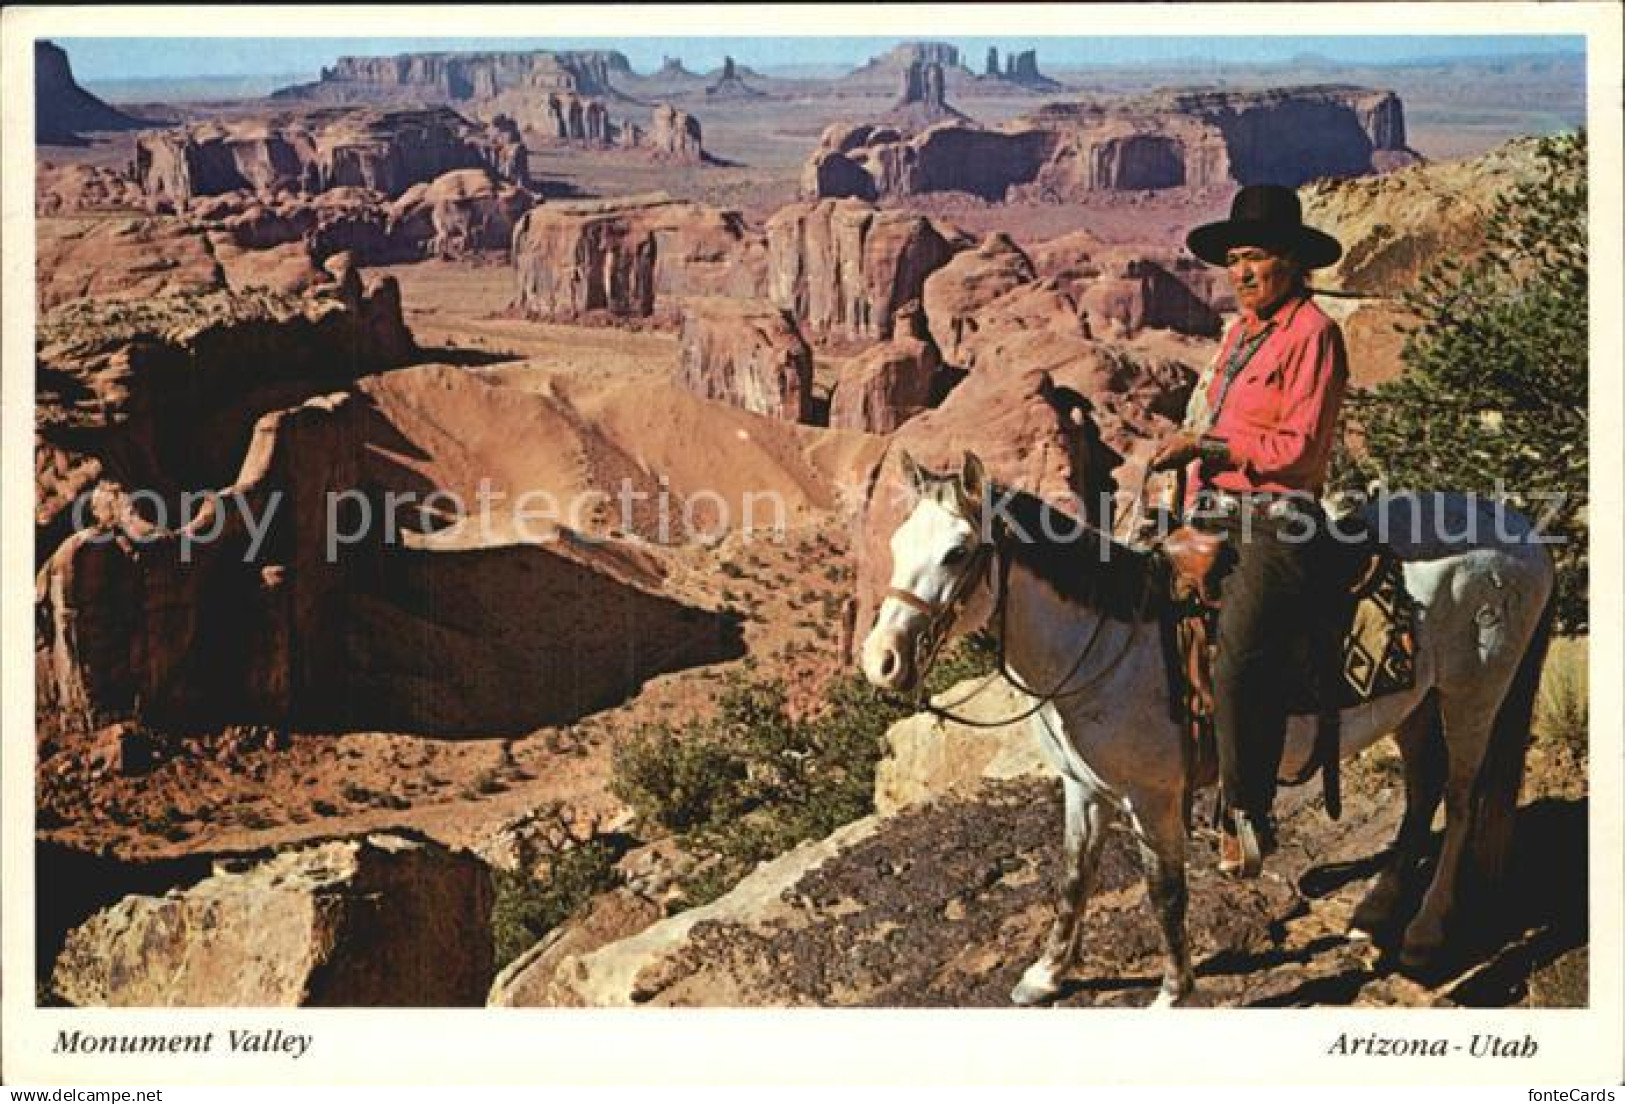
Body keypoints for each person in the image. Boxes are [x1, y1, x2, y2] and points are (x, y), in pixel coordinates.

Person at [1150, 184, 1350, 878]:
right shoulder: (1239, 334)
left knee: (1237, 660)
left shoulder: (1314, 334)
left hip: (1279, 515)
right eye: (1232, 260)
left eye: (1254, 258)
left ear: (1292, 263)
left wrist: (1206, 451)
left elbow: (1296, 450)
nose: (1239, 273)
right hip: (1215, 507)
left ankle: (1247, 808)